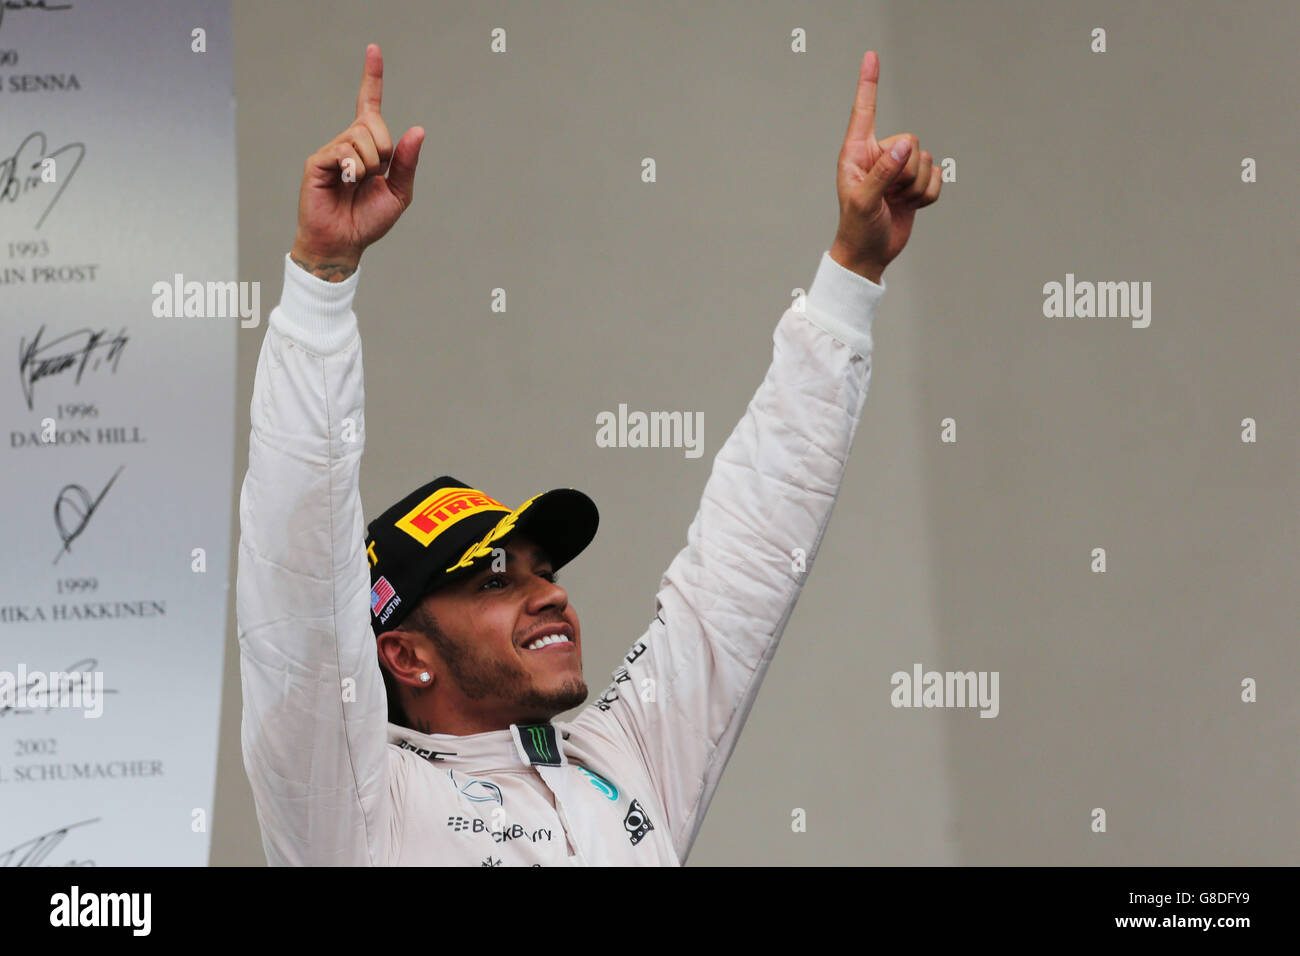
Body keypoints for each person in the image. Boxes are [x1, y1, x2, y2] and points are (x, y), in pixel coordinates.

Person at [237, 43, 940, 866]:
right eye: (494, 579)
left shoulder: (621, 763)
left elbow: (740, 565)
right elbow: (300, 600)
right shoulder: (355, 808)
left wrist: (851, 275)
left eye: (545, 571)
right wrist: (321, 283)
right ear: (404, 655)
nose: (546, 596)